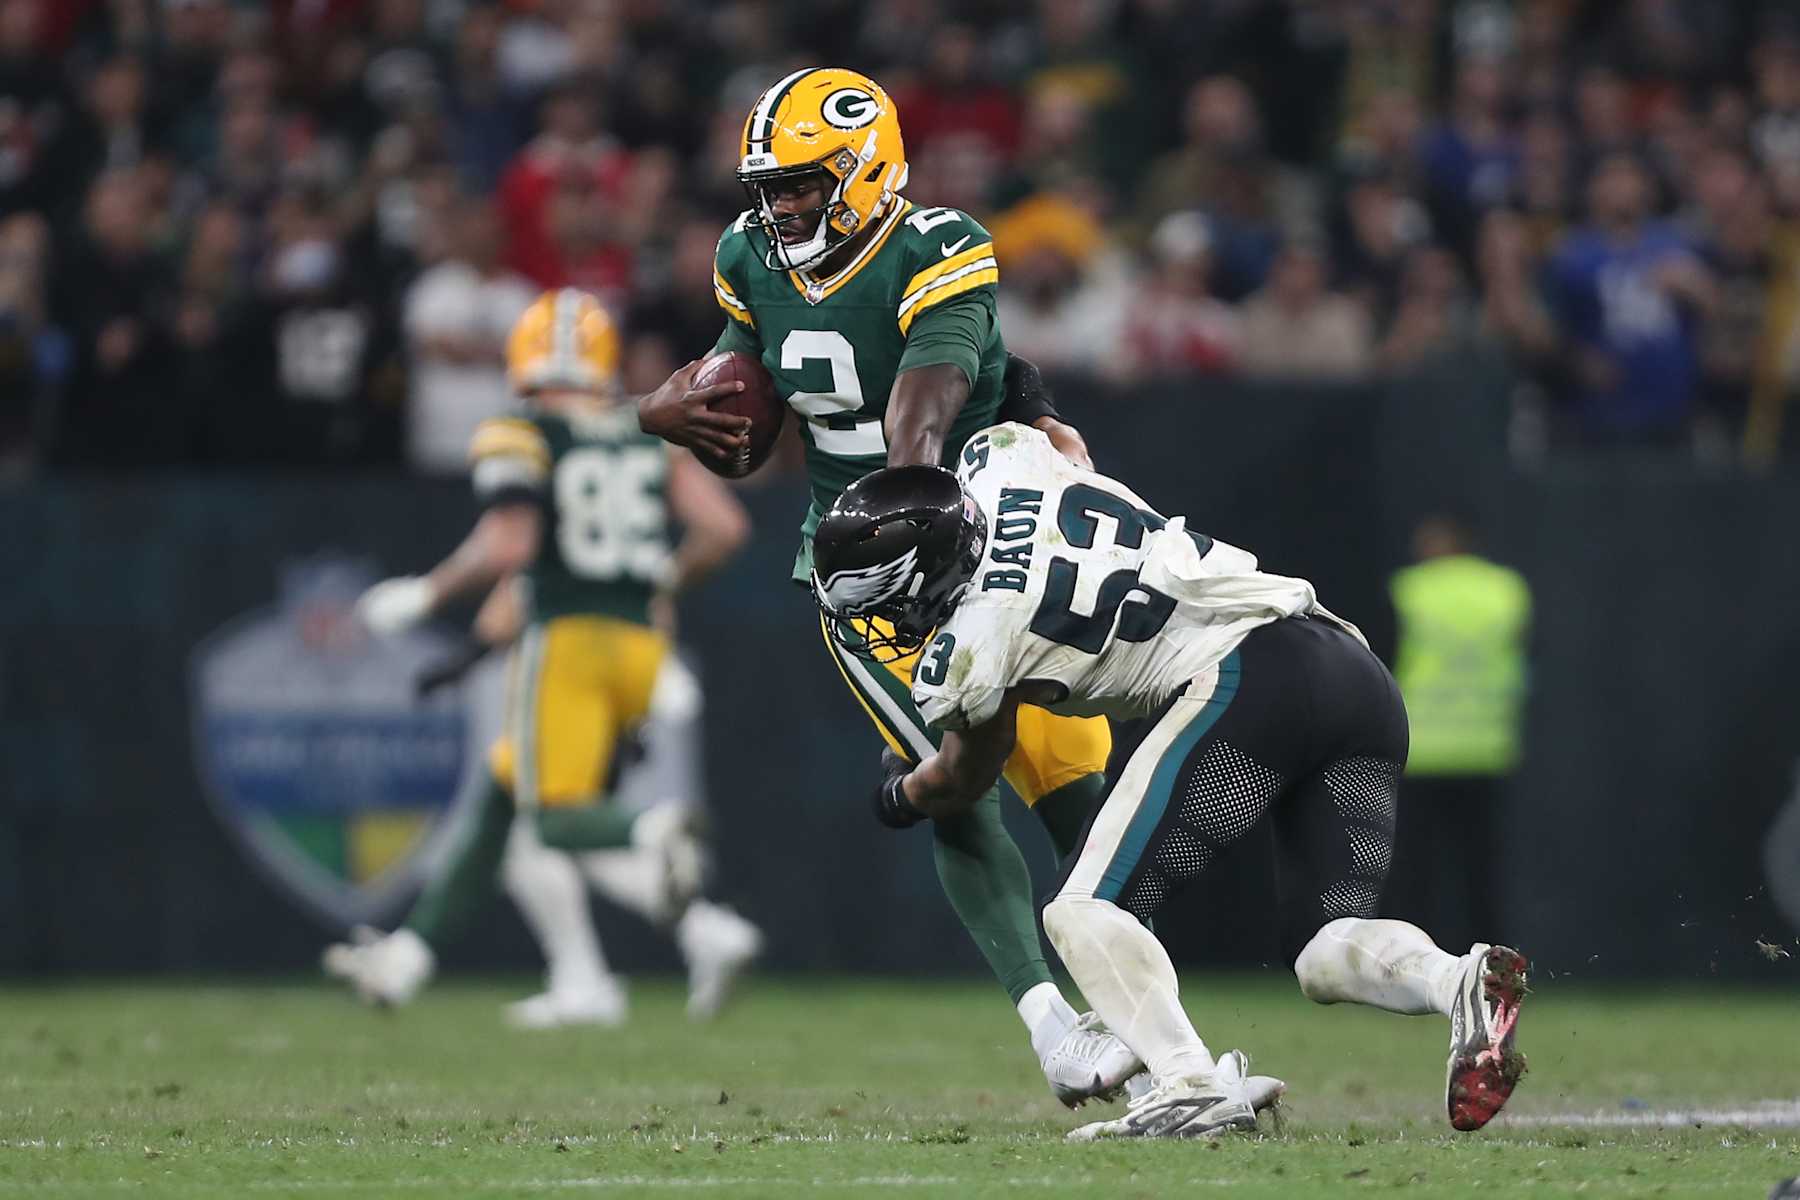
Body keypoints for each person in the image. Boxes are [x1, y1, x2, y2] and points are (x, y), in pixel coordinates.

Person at [634, 68, 1132, 1107]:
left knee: (1085, 804)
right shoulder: (745, 258)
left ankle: (1157, 1043)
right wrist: (669, 410)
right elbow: (743, 387)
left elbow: (926, 409)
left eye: (800, 183)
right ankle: (1055, 1028)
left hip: (988, 550)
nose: (780, 207)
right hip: (864, 579)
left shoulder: (938, 244)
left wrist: (959, 464)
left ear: (864, 170)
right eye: (769, 187)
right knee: (957, 780)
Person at [811, 424, 1529, 1139]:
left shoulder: (971, 646)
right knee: (1322, 949)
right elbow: (1064, 444)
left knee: (1081, 909)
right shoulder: (1000, 459)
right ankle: (1457, 981)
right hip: (1351, 671)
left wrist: (898, 796)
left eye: (885, 602)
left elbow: (966, 776)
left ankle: (1188, 1083)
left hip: (1244, 674)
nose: (885, 622)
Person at [323, 288, 759, 1027]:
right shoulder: (644, 431)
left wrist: (428, 594)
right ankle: (409, 958)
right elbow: (721, 529)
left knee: (554, 822)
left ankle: (653, 838)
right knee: (504, 799)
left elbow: (513, 547)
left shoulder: (520, 432)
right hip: (641, 647)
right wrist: (659, 578)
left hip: (567, 645)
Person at [1383, 514, 1530, 954]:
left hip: (1422, 749)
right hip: (1486, 749)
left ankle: (1414, 962)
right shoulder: (1506, 590)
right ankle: (1491, 965)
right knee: (1482, 874)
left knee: (1415, 873)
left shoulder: (1411, 590)